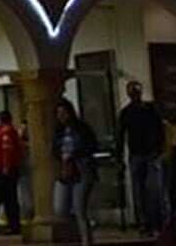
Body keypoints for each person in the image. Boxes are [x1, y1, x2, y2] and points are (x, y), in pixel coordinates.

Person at [117, 80, 168, 235]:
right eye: (132, 91)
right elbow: (121, 135)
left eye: (136, 91)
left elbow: (160, 130)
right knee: (140, 191)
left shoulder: (150, 110)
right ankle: (145, 223)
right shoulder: (126, 112)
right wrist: (120, 157)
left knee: (154, 190)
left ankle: (157, 222)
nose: (134, 94)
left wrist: (159, 149)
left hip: (150, 154)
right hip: (137, 154)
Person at [52, 98, 99, 246]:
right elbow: (54, 149)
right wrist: (62, 157)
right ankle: (76, 232)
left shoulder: (82, 128)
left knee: (80, 208)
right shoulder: (58, 131)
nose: (61, 116)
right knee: (60, 208)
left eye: (63, 112)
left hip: (82, 169)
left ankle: (86, 240)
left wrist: (75, 155)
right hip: (65, 170)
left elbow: (92, 145)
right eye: (58, 113)